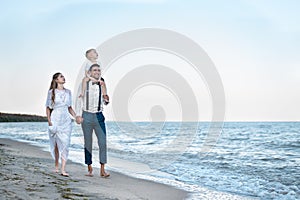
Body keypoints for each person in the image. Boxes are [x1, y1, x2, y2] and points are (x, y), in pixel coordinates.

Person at [75, 64, 110, 178]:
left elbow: (105, 101)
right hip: (87, 115)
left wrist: (106, 97)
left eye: (99, 70)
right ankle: (89, 167)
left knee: (102, 142)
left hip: (99, 116)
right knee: (88, 143)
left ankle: (102, 169)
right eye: (95, 70)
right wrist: (78, 115)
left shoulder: (102, 83)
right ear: (90, 72)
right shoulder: (85, 83)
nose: (97, 72)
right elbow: (79, 99)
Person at [46, 72, 76, 177]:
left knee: (65, 143)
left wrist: (75, 117)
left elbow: (69, 107)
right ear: (56, 80)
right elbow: (48, 108)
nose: (63, 78)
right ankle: (56, 165)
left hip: (66, 120)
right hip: (55, 119)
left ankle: (63, 169)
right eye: (61, 77)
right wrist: (49, 121)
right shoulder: (51, 92)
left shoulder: (68, 92)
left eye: (63, 76)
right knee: (55, 144)